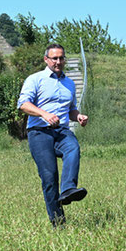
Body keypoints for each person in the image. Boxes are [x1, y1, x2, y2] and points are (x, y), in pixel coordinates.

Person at [17, 43, 89, 226]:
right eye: (54, 58)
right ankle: (58, 223)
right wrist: (44, 114)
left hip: (62, 131)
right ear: (46, 59)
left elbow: (71, 109)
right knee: (49, 177)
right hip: (39, 132)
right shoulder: (35, 79)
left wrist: (78, 116)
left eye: (61, 58)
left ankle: (68, 189)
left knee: (73, 148)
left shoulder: (69, 83)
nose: (58, 61)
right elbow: (23, 104)